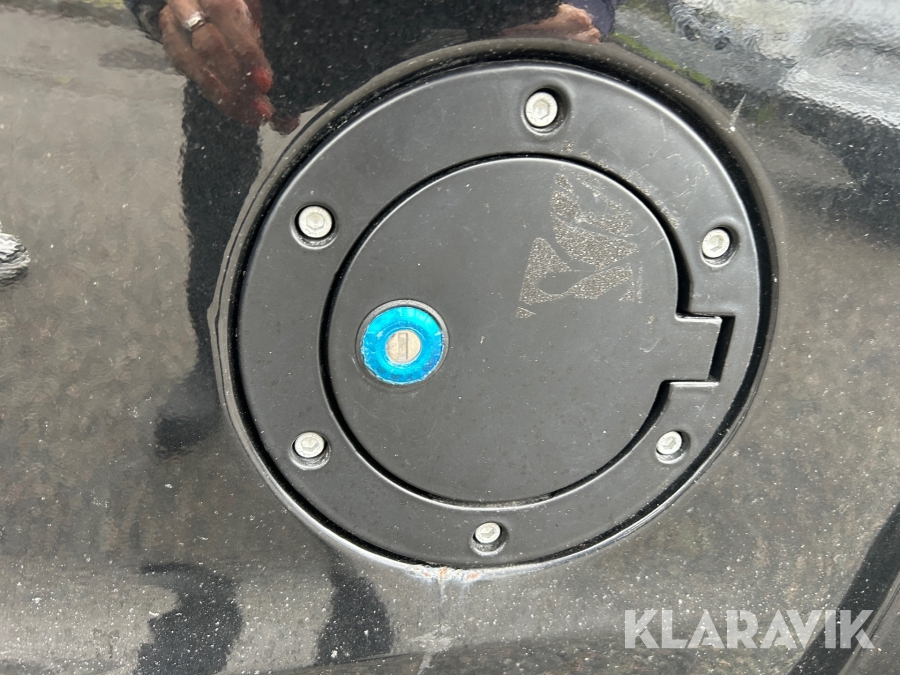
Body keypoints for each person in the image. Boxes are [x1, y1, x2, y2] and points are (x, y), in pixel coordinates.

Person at [124, 0, 618, 453]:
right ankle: (212, 361)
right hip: (258, 34)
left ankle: (387, 387)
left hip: (440, 36)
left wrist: (581, 14)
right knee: (216, 211)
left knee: (427, 231)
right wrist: (162, 5)